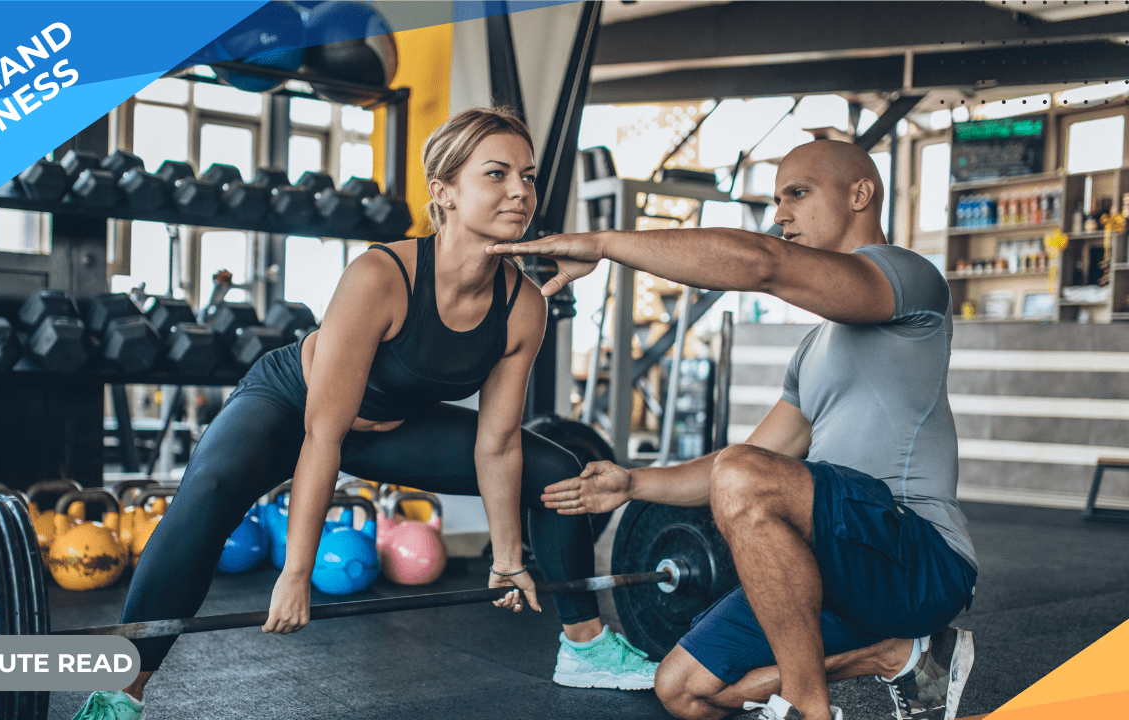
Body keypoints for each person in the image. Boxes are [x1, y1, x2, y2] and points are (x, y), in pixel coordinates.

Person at [70, 107, 659, 720]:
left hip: (389, 429)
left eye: (529, 176)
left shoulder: (522, 305)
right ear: (445, 192)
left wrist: (508, 558)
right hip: (293, 406)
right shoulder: (382, 276)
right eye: (497, 174)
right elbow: (323, 435)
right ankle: (121, 691)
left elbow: (499, 443)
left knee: (556, 471)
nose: (521, 191)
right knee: (209, 493)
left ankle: (585, 645)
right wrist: (296, 572)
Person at [487, 140, 978, 720]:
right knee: (682, 690)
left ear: (860, 194)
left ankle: (806, 708)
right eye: (776, 199)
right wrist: (632, 485)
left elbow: (761, 264)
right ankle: (900, 655)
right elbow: (748, 459)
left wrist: (604, 244)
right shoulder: (813, 351)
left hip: (918, 556)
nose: (780, 215)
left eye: (798, 193)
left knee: (742, 476)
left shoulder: (912, 281)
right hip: (836, 563)